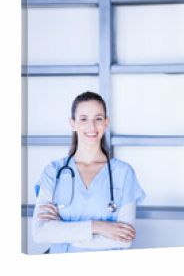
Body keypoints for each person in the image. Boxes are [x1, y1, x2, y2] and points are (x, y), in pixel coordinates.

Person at [32, 91, 146, 254]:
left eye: (98, 119)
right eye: (83, 119)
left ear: (106, 123)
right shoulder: (53, 171)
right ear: (72, 123)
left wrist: (62, 230)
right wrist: (97, 226)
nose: (91, 127)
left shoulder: (123, 173)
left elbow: (125, 239)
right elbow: (40, 232)